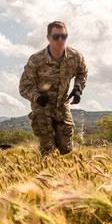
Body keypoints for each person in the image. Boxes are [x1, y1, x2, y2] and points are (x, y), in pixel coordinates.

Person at [19, 21, 88, 156]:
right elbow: (24, 86)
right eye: (56, 37)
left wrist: (78, 88)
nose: (60, 40)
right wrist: (37, 97)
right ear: (49, 38)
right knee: (48, 148)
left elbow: (82, 72)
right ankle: (46, 167)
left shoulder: (75, 57)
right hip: (42, 107)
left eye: (64, 36)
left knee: (66, 149)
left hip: (61, 104)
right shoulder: (36, 60)